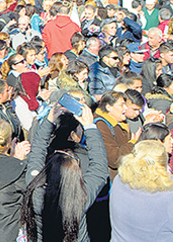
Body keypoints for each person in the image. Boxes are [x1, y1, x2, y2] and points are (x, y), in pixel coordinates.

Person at [21, 103, 109, 242]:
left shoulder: (35, 189)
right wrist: (90, 127)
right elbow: (100, 169)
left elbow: (37, 151)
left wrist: (49, 122)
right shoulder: (81, 197)